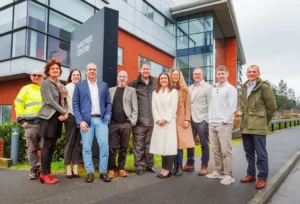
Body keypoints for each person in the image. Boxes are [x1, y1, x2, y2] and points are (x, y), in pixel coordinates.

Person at [73, 63, 112, 183]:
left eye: (94, 69)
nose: (92, 71)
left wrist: (106, 119)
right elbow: (75, 104)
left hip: (101, 121)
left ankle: (103, 172)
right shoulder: (79, 85)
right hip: (86, 121)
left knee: (104, 146)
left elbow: (108, 103)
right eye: (90, 69)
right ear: (85, 71)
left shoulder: (103, 85)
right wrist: (80, 121)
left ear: (97, 71)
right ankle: (89, 172)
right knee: (86, 147)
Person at [239, 65, 277, 189]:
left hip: (258, 127)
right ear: (246, 73)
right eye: (249, 71)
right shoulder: (244, 87)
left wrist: (263, 122)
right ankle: (251, 174)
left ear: (259, 73)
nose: (251, 73)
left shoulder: (264, 87)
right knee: (249, 153)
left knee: (261, 154)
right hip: (245, 126)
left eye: (254, 71)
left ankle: (262, 178)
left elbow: (271, 108)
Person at [38, 59, 68, 184]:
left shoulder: (60, 85)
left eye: (57, 69)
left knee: (52, 146)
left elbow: (64, 101)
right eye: (53, 68)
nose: (55, 70)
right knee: (46, 145)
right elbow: (49, 101)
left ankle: (48, 172)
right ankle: (44, 174)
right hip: (48, 118)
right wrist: (64, 112)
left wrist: (63, 113)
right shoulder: (46, 83)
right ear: (48, 71)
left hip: (57, 118)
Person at [206, 65, 237, 185]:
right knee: (216, 150)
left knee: (226, 151)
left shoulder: (231, 89)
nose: (220, 76)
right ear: (216, 75)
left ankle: (229, 175)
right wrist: (209, 119)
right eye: (219, 74)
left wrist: (224, 120)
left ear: (227, 74)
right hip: (212, 123)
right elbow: (211, 105)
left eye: (223, 73)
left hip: (224, 124)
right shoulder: (214, 89)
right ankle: (219, 171)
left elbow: (232, 106)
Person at [107, 70, 138, 179]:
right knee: (112, 148)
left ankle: (121, 168)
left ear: (127, 78)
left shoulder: (132, 90)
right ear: (117, 77)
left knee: (123, 148)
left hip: (126, 124)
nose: (122, 78)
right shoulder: (111, 90)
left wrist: (132, 122)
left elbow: (135, 108)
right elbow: (107, 106)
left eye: (124, 76)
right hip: (113, 124)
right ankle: (112, 169)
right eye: (120, 76)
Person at [14, 69, 44, 180]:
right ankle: (33, 170)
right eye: (34, 75)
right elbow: (18, 103)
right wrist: (21, 120)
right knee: (32, 149)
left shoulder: (45, 89)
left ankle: (43, 170)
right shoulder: (26, 89)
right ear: (31, 77)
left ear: (43, 77)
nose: (36, 76)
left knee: (45, 148)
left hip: (45, 124)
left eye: (39, 75)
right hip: (30, 124)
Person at [128, 62, 157, 175]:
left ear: (150, 70)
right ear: (140, 70)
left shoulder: (154, 83)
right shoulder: (134, 83)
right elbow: (127, 100)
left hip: (152, 120)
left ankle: (149, 165)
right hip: (139, 121)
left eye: (147, 69)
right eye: (144, 69)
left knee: (149, 145)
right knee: (139, 144)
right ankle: (139, 166)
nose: (146, 71)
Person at [183, 68, 212, 176]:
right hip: (191, 119)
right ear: (193, 76)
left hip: (202, 120)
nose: (197, 75)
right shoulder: (189, 88)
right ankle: (190, 164)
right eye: (195, 74)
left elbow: (211, 104)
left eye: (199, 74)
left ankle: (204, 166)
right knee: (190, 143)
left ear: (203, 75)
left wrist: (207, 120)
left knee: (204, 144)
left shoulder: (208, 88)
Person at [150, 72, 178, 179]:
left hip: (169, 122)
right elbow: (153, 108)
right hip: (158, 123)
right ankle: (163, 168)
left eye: (165, 78)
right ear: (159, 80)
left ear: (168, 80)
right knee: (161, 145)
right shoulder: (155, 93)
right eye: (161, 78)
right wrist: (158, 119)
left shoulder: (173, 91)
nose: (163, 80)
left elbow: (173, 107)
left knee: (168, 146)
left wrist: (165, 119)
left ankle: (168, 169)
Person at [169, 68, 194, 176]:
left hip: (180, 119)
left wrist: (187, 119)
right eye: (173, 74)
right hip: (170, 119)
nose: (175, 76)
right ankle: (173, 166)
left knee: (179, 144)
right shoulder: (168, 88)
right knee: (171, 144)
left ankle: (179, 166)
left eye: (177, 75)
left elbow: (187, 105)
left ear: (180, 76)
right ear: (171, 76)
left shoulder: (184, 89)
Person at [64, 69, 82, 179]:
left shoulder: (83, 87)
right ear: (71, 77)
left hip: (81, 119)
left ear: (80, 77)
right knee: (70, 142)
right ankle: (68, 167)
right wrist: (64, 112)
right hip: (71, 117)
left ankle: (75, 166)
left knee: (77, 143)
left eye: (78, 75)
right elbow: (63, 102)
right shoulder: (67, 87)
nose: (76, 76)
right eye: (74, 75)